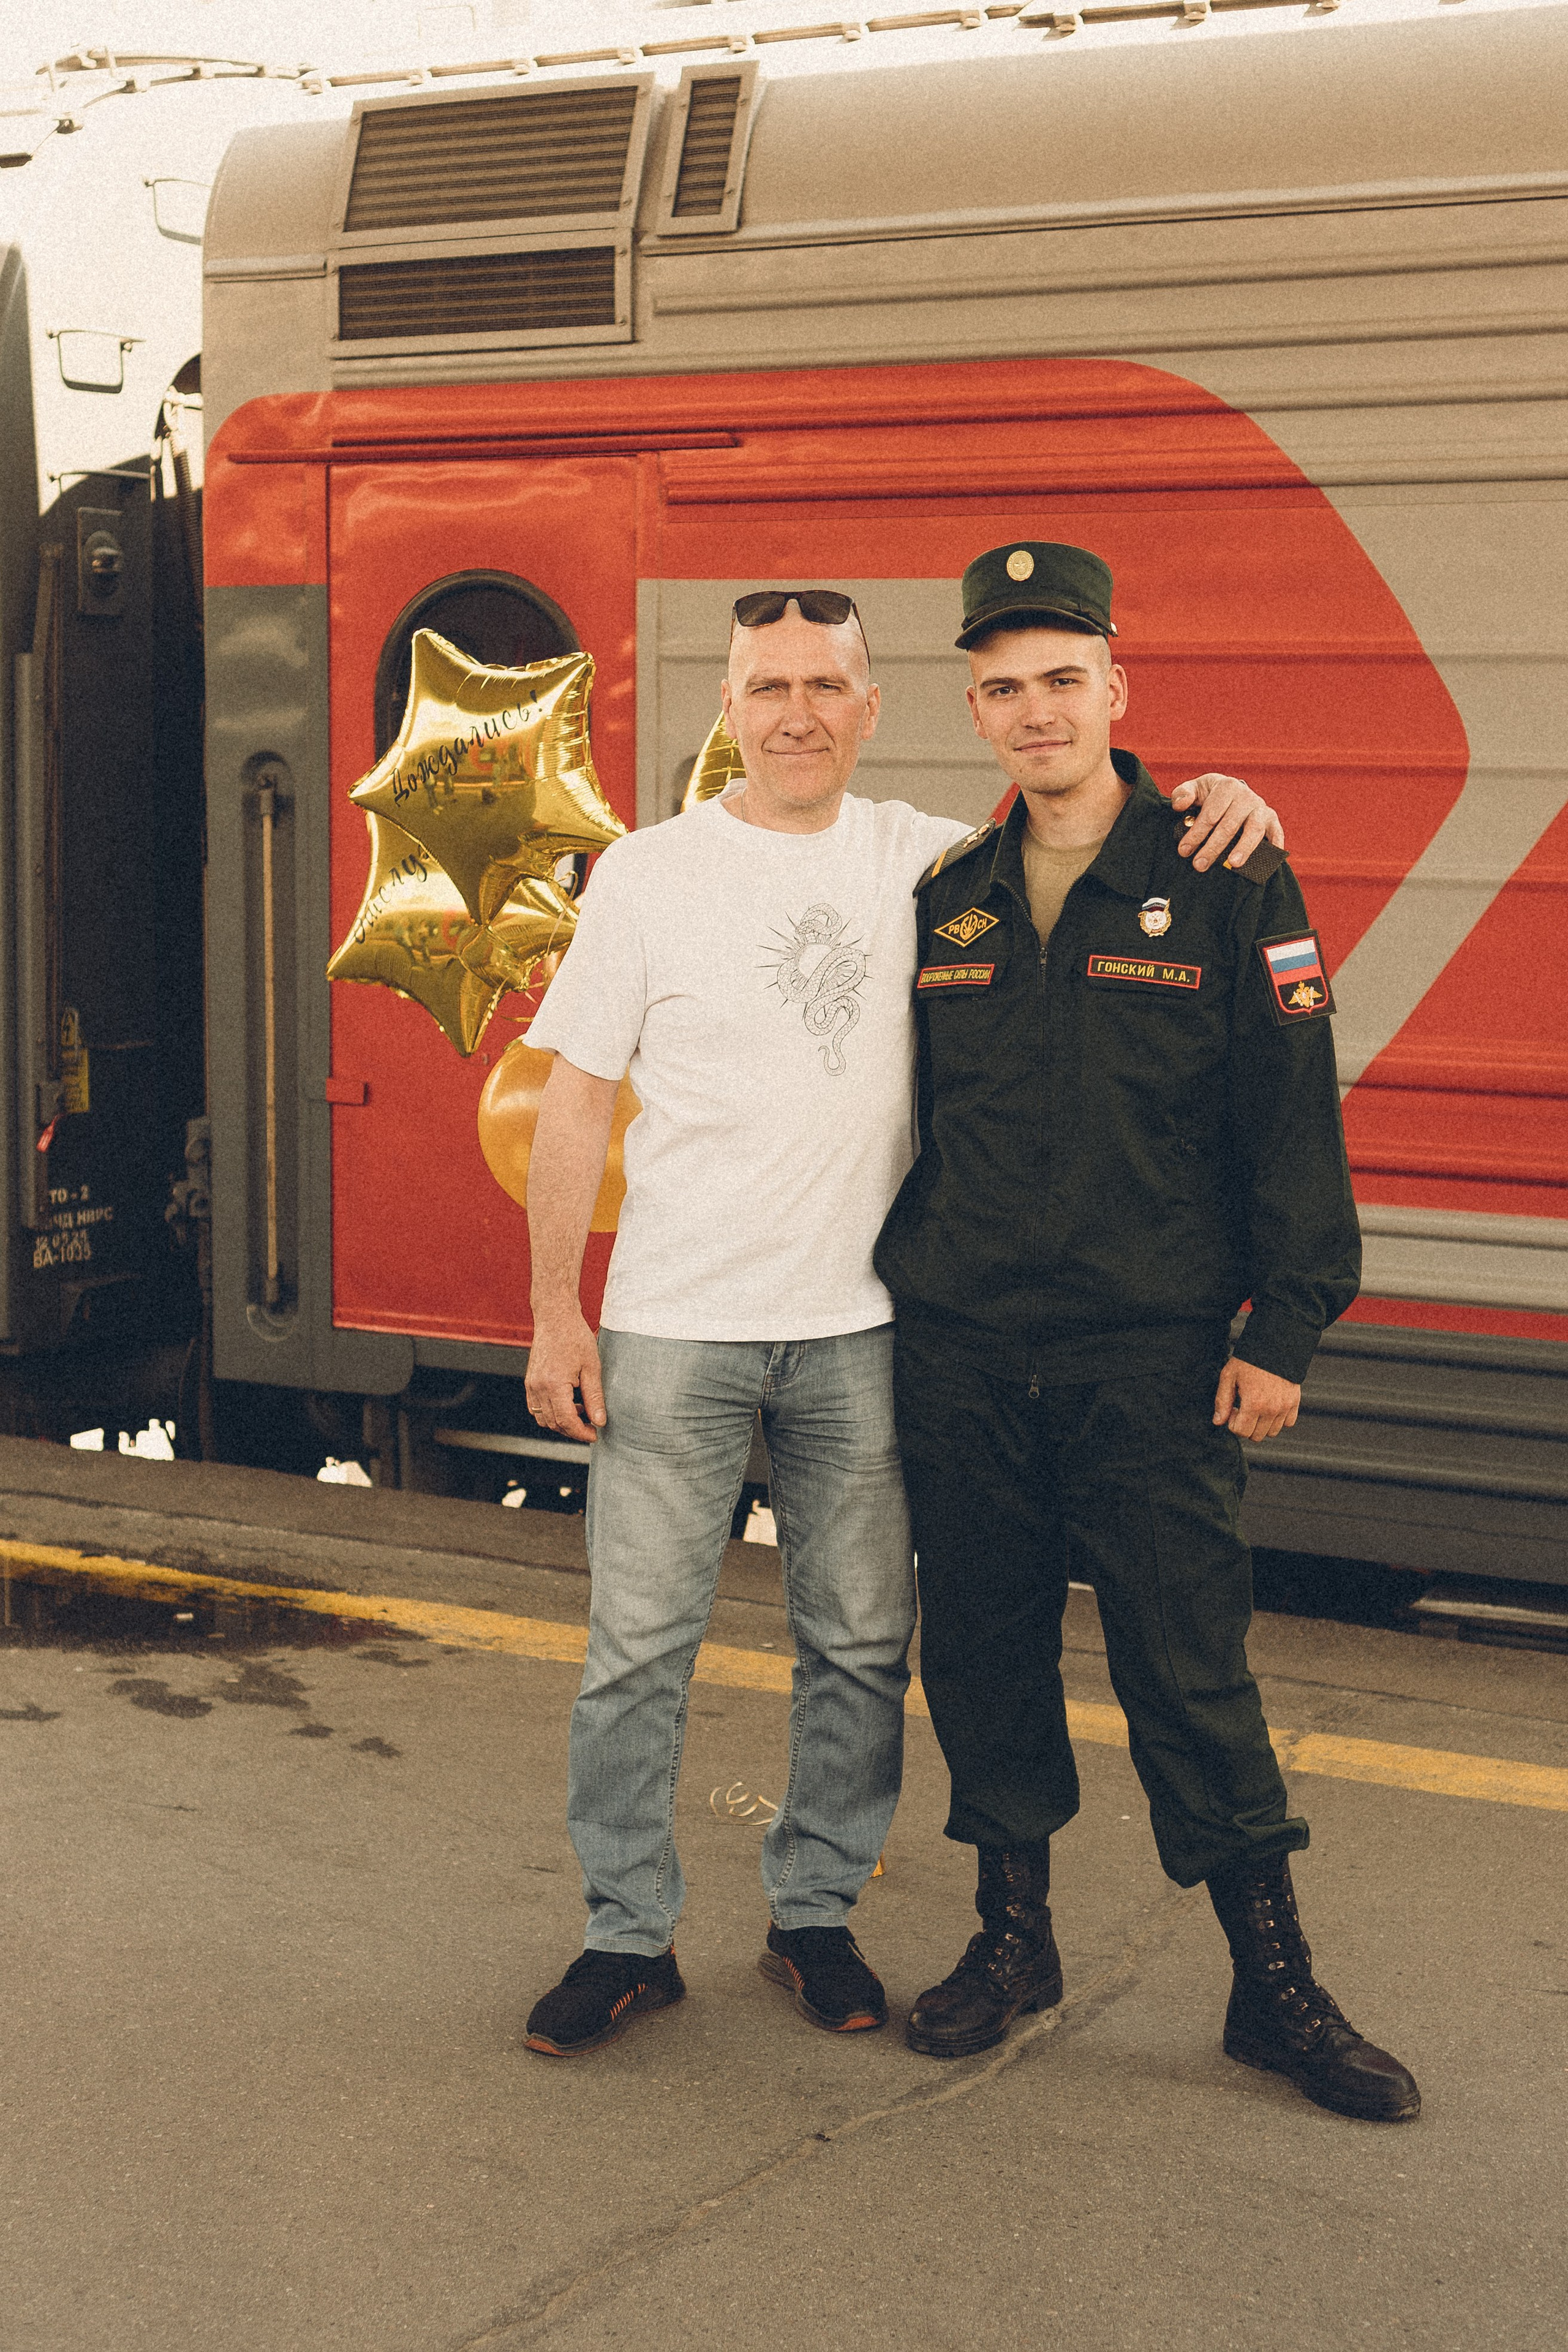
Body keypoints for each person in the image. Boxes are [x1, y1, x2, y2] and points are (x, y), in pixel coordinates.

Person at [519, 586, 1280, 2057]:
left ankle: (812, 1914)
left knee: (862, 1646)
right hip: (673, 1324)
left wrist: (1216, 799)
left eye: (825, 684)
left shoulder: (934, 859)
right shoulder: (646, 873)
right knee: (635, 1650)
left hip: (869, 1330)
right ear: (727, 711)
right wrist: (559, 1311)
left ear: (872, 710)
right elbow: (575, 1096)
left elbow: (1088, 825)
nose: (794, 711)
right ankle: (625, 1934)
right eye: (765, 687)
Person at [873, 542, 1420, 2122]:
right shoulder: (945, 898)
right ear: (972, 711)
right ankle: (1011, 1942)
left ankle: (1272, 1989)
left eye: (1059, 679)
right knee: (978, 1651)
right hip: (964, 1349)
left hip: (1151, 1356)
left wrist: (1286, 1328)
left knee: (1189, 1670)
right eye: (1000, 687)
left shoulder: (1230, 870)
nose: (1031, 710)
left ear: (1115, 691)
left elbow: (1288, 1120)